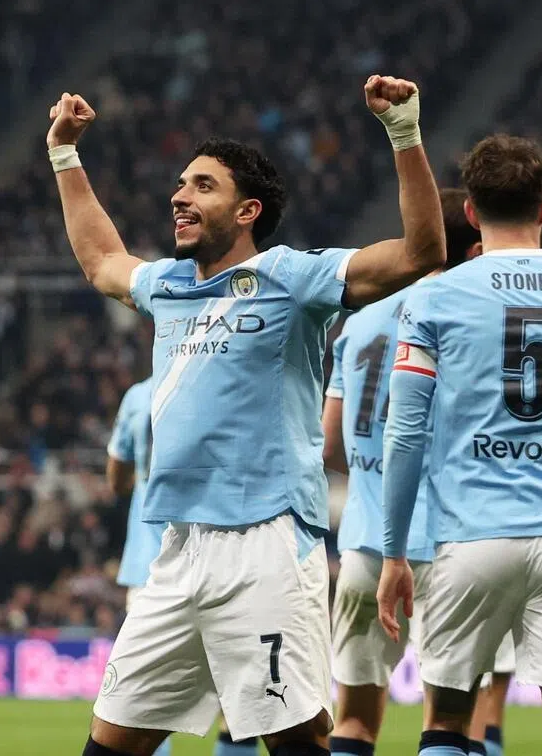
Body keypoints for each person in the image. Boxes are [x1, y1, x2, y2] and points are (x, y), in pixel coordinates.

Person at [46, 72, 445, 756]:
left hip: (264, 542)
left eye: (203, 186)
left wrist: (403, 133)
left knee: (294, 743)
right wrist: (64, 155)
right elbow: (102, 260)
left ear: (248, 211)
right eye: (180, 184)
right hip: (177, 549)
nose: (179, 196)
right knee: (108, 747)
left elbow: (420, 254)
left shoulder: (294, 279)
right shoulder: (168, 286)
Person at [377, 133, 542, 756]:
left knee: (445, 725)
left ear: (470, 212)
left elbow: (406, 433)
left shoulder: (431, 300)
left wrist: (394, 554)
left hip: (470, 538)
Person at [323, 188, 509, 756]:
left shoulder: (358, 322)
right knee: (452, 722)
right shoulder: (473, 320)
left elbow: (329, 443)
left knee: (352, 721)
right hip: (450, 541)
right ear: (473, 252)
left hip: (364, 544)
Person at [107, 379, 259, 756]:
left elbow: (116, 478)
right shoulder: (221, 381)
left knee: (144, 698)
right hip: (221, 552)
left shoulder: (138, 396)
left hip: (149, 562)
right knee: (238, 697)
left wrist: (142, 484)